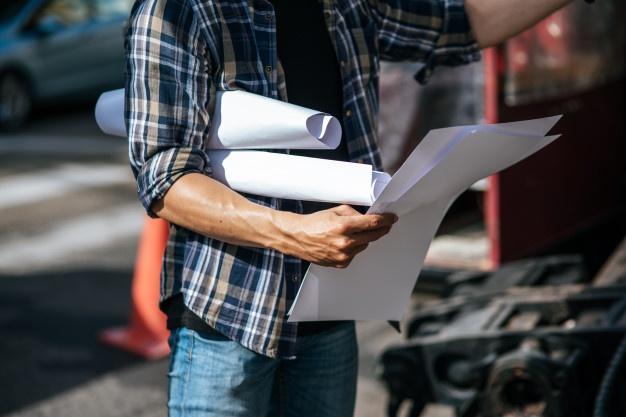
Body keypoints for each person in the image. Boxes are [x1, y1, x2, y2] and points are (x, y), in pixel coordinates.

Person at [125, 0, 576, 416]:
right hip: (231, 317)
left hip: (331, 308)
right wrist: (293, 233)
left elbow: (461, 23)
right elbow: (166, 178)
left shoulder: (346, 3)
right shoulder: (180, 9)